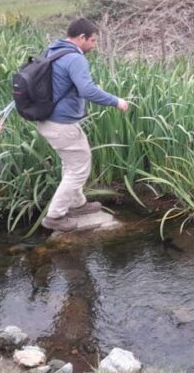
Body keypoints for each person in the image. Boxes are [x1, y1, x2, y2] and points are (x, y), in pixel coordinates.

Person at [38, 18, 129, 232]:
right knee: (78, 169)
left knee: (72, 164)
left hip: (48, 120)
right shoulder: (74, 58)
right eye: (93, 40)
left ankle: (77, 204)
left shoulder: (54, 50)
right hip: (62, 125)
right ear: (81, 38)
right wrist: (117, 101)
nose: (94, 45)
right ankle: (55, 216)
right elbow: (87, 90)